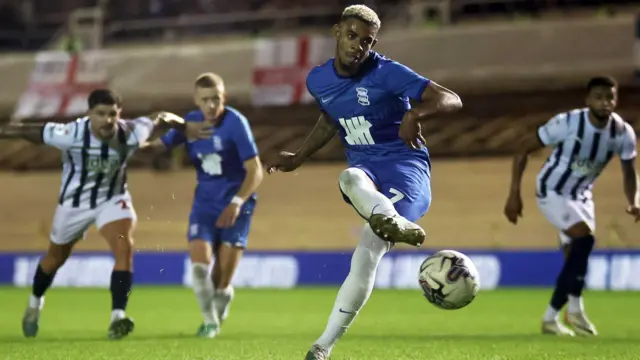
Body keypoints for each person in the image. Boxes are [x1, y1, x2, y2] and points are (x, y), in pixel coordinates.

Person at [265, 5, 462, 359]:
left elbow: (451, 98)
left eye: (367, 41)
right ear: (337, 31)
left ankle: (390, 219)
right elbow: (331, 119)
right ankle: (322, 348)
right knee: (349, 180)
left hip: (406, 171)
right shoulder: (318, 80)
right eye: (353, 36)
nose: (359, 46)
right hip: (366, 176)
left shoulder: (388, 73)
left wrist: (415, 114)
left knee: (365, 245)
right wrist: (298, 158)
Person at [0, 89, 186, 340]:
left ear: (119, 114)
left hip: (113, 199)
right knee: (55, 259)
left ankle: (117, 316)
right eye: (100, 114)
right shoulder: (71, 134)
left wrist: (187, 125)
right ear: (89, 114)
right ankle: (35, 303)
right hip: (74, 205)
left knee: (124, 248)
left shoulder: (131, 132)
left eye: (112, 114)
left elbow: (159, 117)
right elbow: (31, 132)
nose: (107, 120)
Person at [504, 76, 640, 336]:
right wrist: (514, 195)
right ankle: (565, 313)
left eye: (610, 97)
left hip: (582, 196)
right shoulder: (567, 123)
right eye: (599, 97)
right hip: (552, 189)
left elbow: (629, 171)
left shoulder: (622, 133)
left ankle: (561, 315)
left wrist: (634, 201)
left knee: (575, 257)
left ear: (616, 99)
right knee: (584, 239)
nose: (605, 102)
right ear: (588, 100)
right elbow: (523, 149)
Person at [142, 73, 263, 338]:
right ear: (196, 101)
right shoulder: (192, 123)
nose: (211, 105)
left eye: (216, 99)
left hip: (236, 206)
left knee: (221, 282)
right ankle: (209, 323)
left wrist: (236, 201)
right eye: (205, 100)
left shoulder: (236, 124)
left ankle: (222, 298)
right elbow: (157, 146)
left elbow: (256, 171)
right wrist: (135, 142)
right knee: (199, 268)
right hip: (205, 205)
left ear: (224, 98)